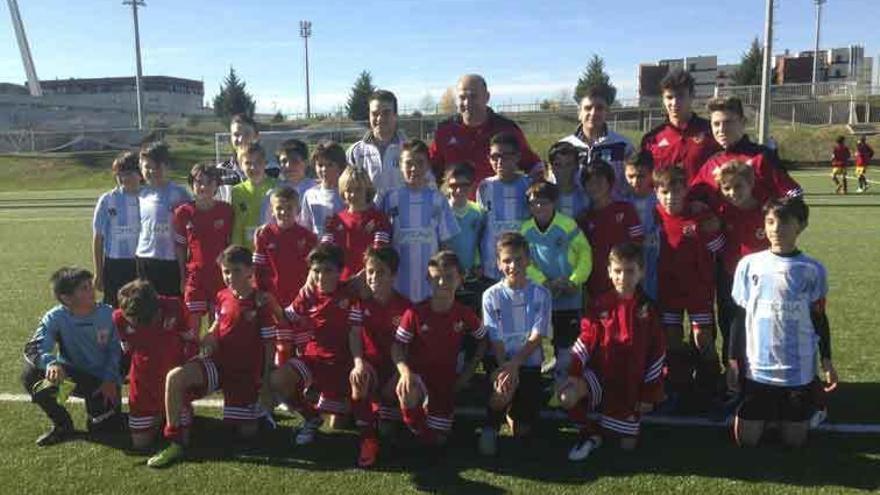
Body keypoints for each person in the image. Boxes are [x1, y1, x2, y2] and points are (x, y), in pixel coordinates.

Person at [147, 246, 276, 468]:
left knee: (247, 434)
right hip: (217, 363)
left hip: (244, 373)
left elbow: (269, 344)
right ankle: (174, 440)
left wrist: (265, 382)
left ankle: (260, 414)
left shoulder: (261, 302)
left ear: (250, 271)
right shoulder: (222, 295)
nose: (229, 277)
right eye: (226, 271)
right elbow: (218, 322)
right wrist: (209, 335)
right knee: (175, 377)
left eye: (236, 270)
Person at [729, 197, 838, 448]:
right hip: (759, 366)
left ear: (800, 226)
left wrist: (827, 360)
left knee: (794, 444)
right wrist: (734, 361)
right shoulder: (749, 264)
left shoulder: (812, 269)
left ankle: (812, 406)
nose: (776, 229)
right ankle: (770, 413)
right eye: (770, 222)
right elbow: (740, 316)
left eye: (784, 222)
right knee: (747, 442)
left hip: (797, 367)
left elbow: (819, 317)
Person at [558, 243, 666, 461]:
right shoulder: (600, 304)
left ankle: (603, 427)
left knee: (626, 447)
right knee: (566, 396)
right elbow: (585, 340)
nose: (623, 277)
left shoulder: (649, 309)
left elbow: (657, 354)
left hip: (630, 385)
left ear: (641, 273)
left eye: (630, 271)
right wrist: (574, 372)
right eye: (617, 271)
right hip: (599, 377)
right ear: (609, 271)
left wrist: (649, 393)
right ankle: (588, 433)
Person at [392, 251, 486, 446]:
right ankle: (416, 426)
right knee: (408, 392)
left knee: (439, 442)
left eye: (449, 277)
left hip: (446, 380)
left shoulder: (464, 314)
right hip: (418, 377)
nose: (442, 283)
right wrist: (405, 373)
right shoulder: (415, 312)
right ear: (428, 279)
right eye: (436, 278)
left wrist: (468, 373)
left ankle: (421, 433)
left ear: (461, 279)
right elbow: (397, 346)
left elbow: (483, 340)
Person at [21, 267, 123, 446]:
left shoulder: (109, 314)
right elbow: (34, 348)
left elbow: (118, 351)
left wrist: (110, 379)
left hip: (102, 380)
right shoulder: (55, 317)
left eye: (90, 285)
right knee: (31, 375)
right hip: (69, 376)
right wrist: (51, 363)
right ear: (66, 298)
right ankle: (63, 425)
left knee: (103, 428)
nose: (92, 290)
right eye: (84, 288)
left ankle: (134, 415)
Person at [653, 166, 724, 412]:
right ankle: (678, 387)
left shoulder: (701, 218)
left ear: (686, 192)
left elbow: (719, 249)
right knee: (671, 338)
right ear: (656, 193)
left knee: (702, 338)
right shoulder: (653, 217)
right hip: (668, 290)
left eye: (676, 191)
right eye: (664, 192)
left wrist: (713, 228)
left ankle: (711, 386)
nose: (670, 197)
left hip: (698, 289)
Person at [270, 244, 356, 446]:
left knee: (339, 425)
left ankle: (346, 406)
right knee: (278, 380)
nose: (321, 276)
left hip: (344, 367)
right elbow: (286, 317)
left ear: (340, 271)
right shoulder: (307, 295)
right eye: (316, 271)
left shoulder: (351, 291)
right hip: (314, 360)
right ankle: (311, 417)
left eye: (328, 270)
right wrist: (270, 302)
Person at [477, 232, 552, 456]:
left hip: (527, 363)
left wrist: (515, 365)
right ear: (499, 264)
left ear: (528, 260)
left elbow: (537, 336)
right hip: (500, 362)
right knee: (503, 389)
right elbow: (495, 338)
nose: (513, 265)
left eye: (518, 259)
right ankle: (490, 426)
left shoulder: (541, 293)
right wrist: (505, 368)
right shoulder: (491, 295)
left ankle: (514, 413)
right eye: (507, 260)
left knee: (523, 431)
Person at [520, 181, 591, 385]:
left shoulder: (567, 225)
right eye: (534, 204)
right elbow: (525, 262)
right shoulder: (525, 230)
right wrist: (544, 282)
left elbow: (585, 254)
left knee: (566, 342)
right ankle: (535, 381)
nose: (539, 208)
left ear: (554, 203)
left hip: (568, 295)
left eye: (544, 203)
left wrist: (574, 281)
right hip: (540, 295)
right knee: (535, 338)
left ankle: (563, 385)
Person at [348, 246, 413, 468]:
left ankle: (413, 431)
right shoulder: (360, 303)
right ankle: (367, 438)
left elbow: (410, 348)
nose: (374, 277)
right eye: (370, 272)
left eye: (381, 272)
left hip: (396, 371)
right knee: (358, 378)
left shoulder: (406, 306)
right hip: (372, 368)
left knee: (390, 430)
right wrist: (358, 362)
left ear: (394, 275)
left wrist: (398, 375)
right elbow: (355, 335)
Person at [113, 280, 192, 450]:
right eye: (131, 318)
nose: (133, 323)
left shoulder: (174, 307)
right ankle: (158, 415)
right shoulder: (119, 318)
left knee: (182, 441)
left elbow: (190, 339)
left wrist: (185, 375)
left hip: (173, 379)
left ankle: (178, 407)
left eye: (138, 320)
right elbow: (127, 351)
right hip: (143, 383)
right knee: (140, 444)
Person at [429, 74, 543, 189]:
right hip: (459, 204)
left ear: (487, 97)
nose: (467, 103)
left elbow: (534, 166)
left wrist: (538, 195)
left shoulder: (506, 129)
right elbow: (429, 170)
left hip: (497, 204)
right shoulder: (445, 131)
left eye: (473, 96)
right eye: (462, 97)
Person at [380, 139, 460, 303]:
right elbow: (383, 243)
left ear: (428, 165)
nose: (414, 168)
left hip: (430, 286)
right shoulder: (390, 199)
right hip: (398, 285)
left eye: (420, 163)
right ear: (400, 165)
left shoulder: (438, 200)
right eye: (409, 163)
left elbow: (445, 244)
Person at [690, 96, 802, 207]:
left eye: (728, 122)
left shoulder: (761, 157)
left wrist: (776, 217)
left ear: (743, 122)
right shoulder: (712, 163)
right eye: (716, 124)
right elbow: (691, 199)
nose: (721, 129)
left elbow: (794, 193)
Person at [253, 186, 318, 365]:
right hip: (275, 301)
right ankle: (280, 389)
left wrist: (307, 297)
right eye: (279, 208)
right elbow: (258, 268)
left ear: (297, 210)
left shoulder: (308, 237)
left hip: (301, 301)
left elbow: (313, 272)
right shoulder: (264, 235)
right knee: (282, 347)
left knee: (305, 346)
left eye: (289, 208)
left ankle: (305, 387)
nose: (284, 212)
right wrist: (262, 295)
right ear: (272, 211)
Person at [712, 161, 768, 366]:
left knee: (759, 327)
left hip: (762, 281)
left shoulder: (766, 213)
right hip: (730, 278)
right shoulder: (721, 211)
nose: (732, 192)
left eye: (738, 187)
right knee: (730, 327)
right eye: (726, 188)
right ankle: (732, 375)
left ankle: (759, 375)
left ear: (751, 184)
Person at [173, 163, 233, 333]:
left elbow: (230, 244)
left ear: (216, 185)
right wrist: (182, 277)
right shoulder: (183, 212)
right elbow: (180, 247)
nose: (203, 187)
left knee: (218, 325)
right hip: (195, 276)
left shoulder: (226, 211)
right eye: (199, 182)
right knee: (192, 327)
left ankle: (215, 358)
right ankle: (194, 358)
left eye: (209, 182)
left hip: (219, 276)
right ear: (192, 184)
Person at [347, 90, 435, 199]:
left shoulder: (413, 151)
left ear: (395, 116)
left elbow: (430, 185)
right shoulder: (355, 152)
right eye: (375, 114)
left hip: (404, 214)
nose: (380, 118)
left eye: (386, 113)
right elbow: (345, 189)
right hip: (370, 215)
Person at [577, 160, 643, 303]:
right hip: (596, 283)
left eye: (599, 182)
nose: (595, 187)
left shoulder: (625, 209)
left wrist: (632, 275)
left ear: (610, 183)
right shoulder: (584, 219)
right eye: (590, 183)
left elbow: (638, 244)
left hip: (625, 281)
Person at [640, 69, 720, 180]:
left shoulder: (712, 132)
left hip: (702, 196)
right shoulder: (651, 139)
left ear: (692, 96)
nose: (674, 103)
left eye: (680, 96)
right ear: (663, 99)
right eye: (669, 97)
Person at [559, 86, 636, 200]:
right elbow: (554, 183)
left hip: (611, 213)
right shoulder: (564, 146)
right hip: (575, 214)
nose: (593, 113)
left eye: (599, 108)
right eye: (588, 108)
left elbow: (631, 186)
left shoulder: (623, 145)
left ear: (607, 112)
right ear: (579, 113)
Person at [135, 141, 191, 297]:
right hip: (145, 258)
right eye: (147, 167)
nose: (152, 171)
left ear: (167, 166)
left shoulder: (180, 194)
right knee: (148, 307)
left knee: (172, 308)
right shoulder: (141, 194)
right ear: (140, 168)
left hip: (171, 261)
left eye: (157, 167)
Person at [323, 166, 391, 286]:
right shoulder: (334, 221)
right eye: (349, 190)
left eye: (358, 189)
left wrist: (362, 278)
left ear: (367, 190)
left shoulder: (380, 219)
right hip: (340, 284)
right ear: (342, 192)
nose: (353, 195)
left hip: (370, 284)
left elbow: (380, 253)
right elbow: (325, 252)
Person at [477, 132, 532, 281]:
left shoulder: (529, 185)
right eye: (495, 157)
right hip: (491, 269)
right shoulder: (485, 187)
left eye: (506, 156)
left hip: (523, 269)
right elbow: (480, 226)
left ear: (517, 157)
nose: (500, 161)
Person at [92, 151, 142, 307]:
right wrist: (99, 273)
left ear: (139, 173)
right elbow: (98, 238)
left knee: (141, 308)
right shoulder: (107, 200)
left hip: (142, 264)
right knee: (114, 309)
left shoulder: (149, 198)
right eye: (119, 174)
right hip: (115, 265)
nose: (123, 178)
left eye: (128, 173)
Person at [216, 113, 279, 201]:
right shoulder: (220, 170)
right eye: (236, 134)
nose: (241, 139)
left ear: (256, 137)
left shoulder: (273, 169)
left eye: (246, 134)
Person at [623, 151, 660, 300]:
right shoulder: (622, 202)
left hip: (656, 257)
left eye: (641, 176)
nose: (635, 181)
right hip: (631, 257)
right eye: (631, 177)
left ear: (651, 174)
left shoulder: (660, 199)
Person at [230, 142, 276, 247]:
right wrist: (236, 248)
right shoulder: (237, 191)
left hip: (271, 248)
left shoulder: (276, 186)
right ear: (240, 165)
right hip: (246, 250)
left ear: (265, 163)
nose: (253, 167)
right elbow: (237, 225)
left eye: (258, 162)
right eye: (248, 163)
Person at [301, 141, 346, 237]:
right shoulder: (310, 194)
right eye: (320, 165)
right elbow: (306, 226)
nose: (324, 169)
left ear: (340, 166)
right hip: (319, 248)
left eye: (330, 165)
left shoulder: (348, 193)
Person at [546, 141, 590, 219]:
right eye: (558, 165)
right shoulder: (545, 196)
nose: (563, 170)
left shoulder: (586, 197)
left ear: (576, 167)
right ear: (551, 167)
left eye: (568, 164)